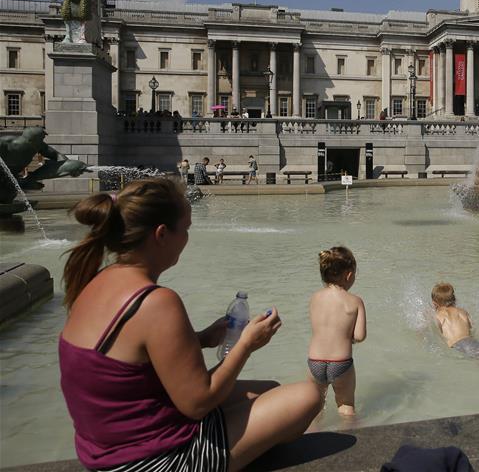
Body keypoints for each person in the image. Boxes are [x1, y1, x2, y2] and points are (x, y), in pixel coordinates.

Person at [58, 177, 321, 471]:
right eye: (185, 229)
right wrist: (246, 345)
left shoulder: (95, 280)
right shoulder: (156, 302)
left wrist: (203, 338)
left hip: (108, 448)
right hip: (151, 461)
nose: (187, 238)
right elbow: (198, 403)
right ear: (161, 234)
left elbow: (126, 358)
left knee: (271, 390)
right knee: (308, 396)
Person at [307, 246, 366, 416]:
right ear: (348, 275)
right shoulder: (355, 301)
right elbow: (359, 336)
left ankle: (312, 438)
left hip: (315, 361)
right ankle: (352, 438)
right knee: (346, 405)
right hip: (341, 363)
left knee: (313, 407)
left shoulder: (315, 298)